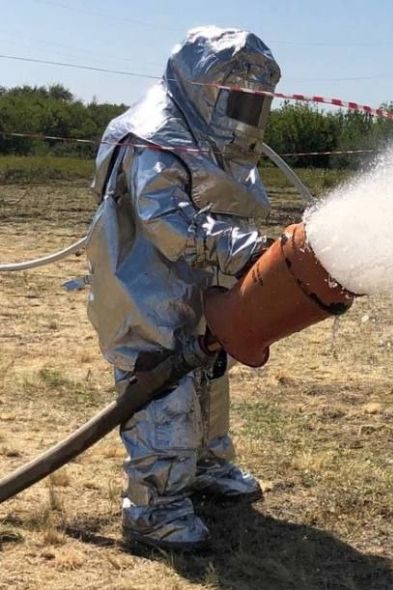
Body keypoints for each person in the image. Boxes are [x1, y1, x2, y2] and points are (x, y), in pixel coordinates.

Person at [84, 27, 281, 551]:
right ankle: (155, 510)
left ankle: (206, 467)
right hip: (146, 287)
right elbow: (166, 220)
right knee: (162, 389)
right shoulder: (154, 134)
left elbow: (230, 207)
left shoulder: (219, 142)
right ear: (204, 87)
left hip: (201, 287)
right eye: (236, 96)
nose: (245, 109)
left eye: (254, 100)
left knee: (211, 374)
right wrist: (250, 253)